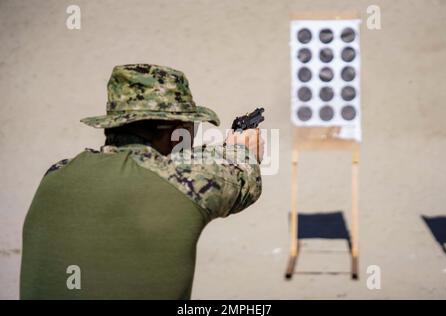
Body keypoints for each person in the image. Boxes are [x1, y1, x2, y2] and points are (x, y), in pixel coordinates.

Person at [20, 64, 263, 299]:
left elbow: (156, 166)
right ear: (174, 132)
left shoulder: (56, 174)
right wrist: (242, 151)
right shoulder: (184, 185)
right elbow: (243, 180)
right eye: (192, 126)